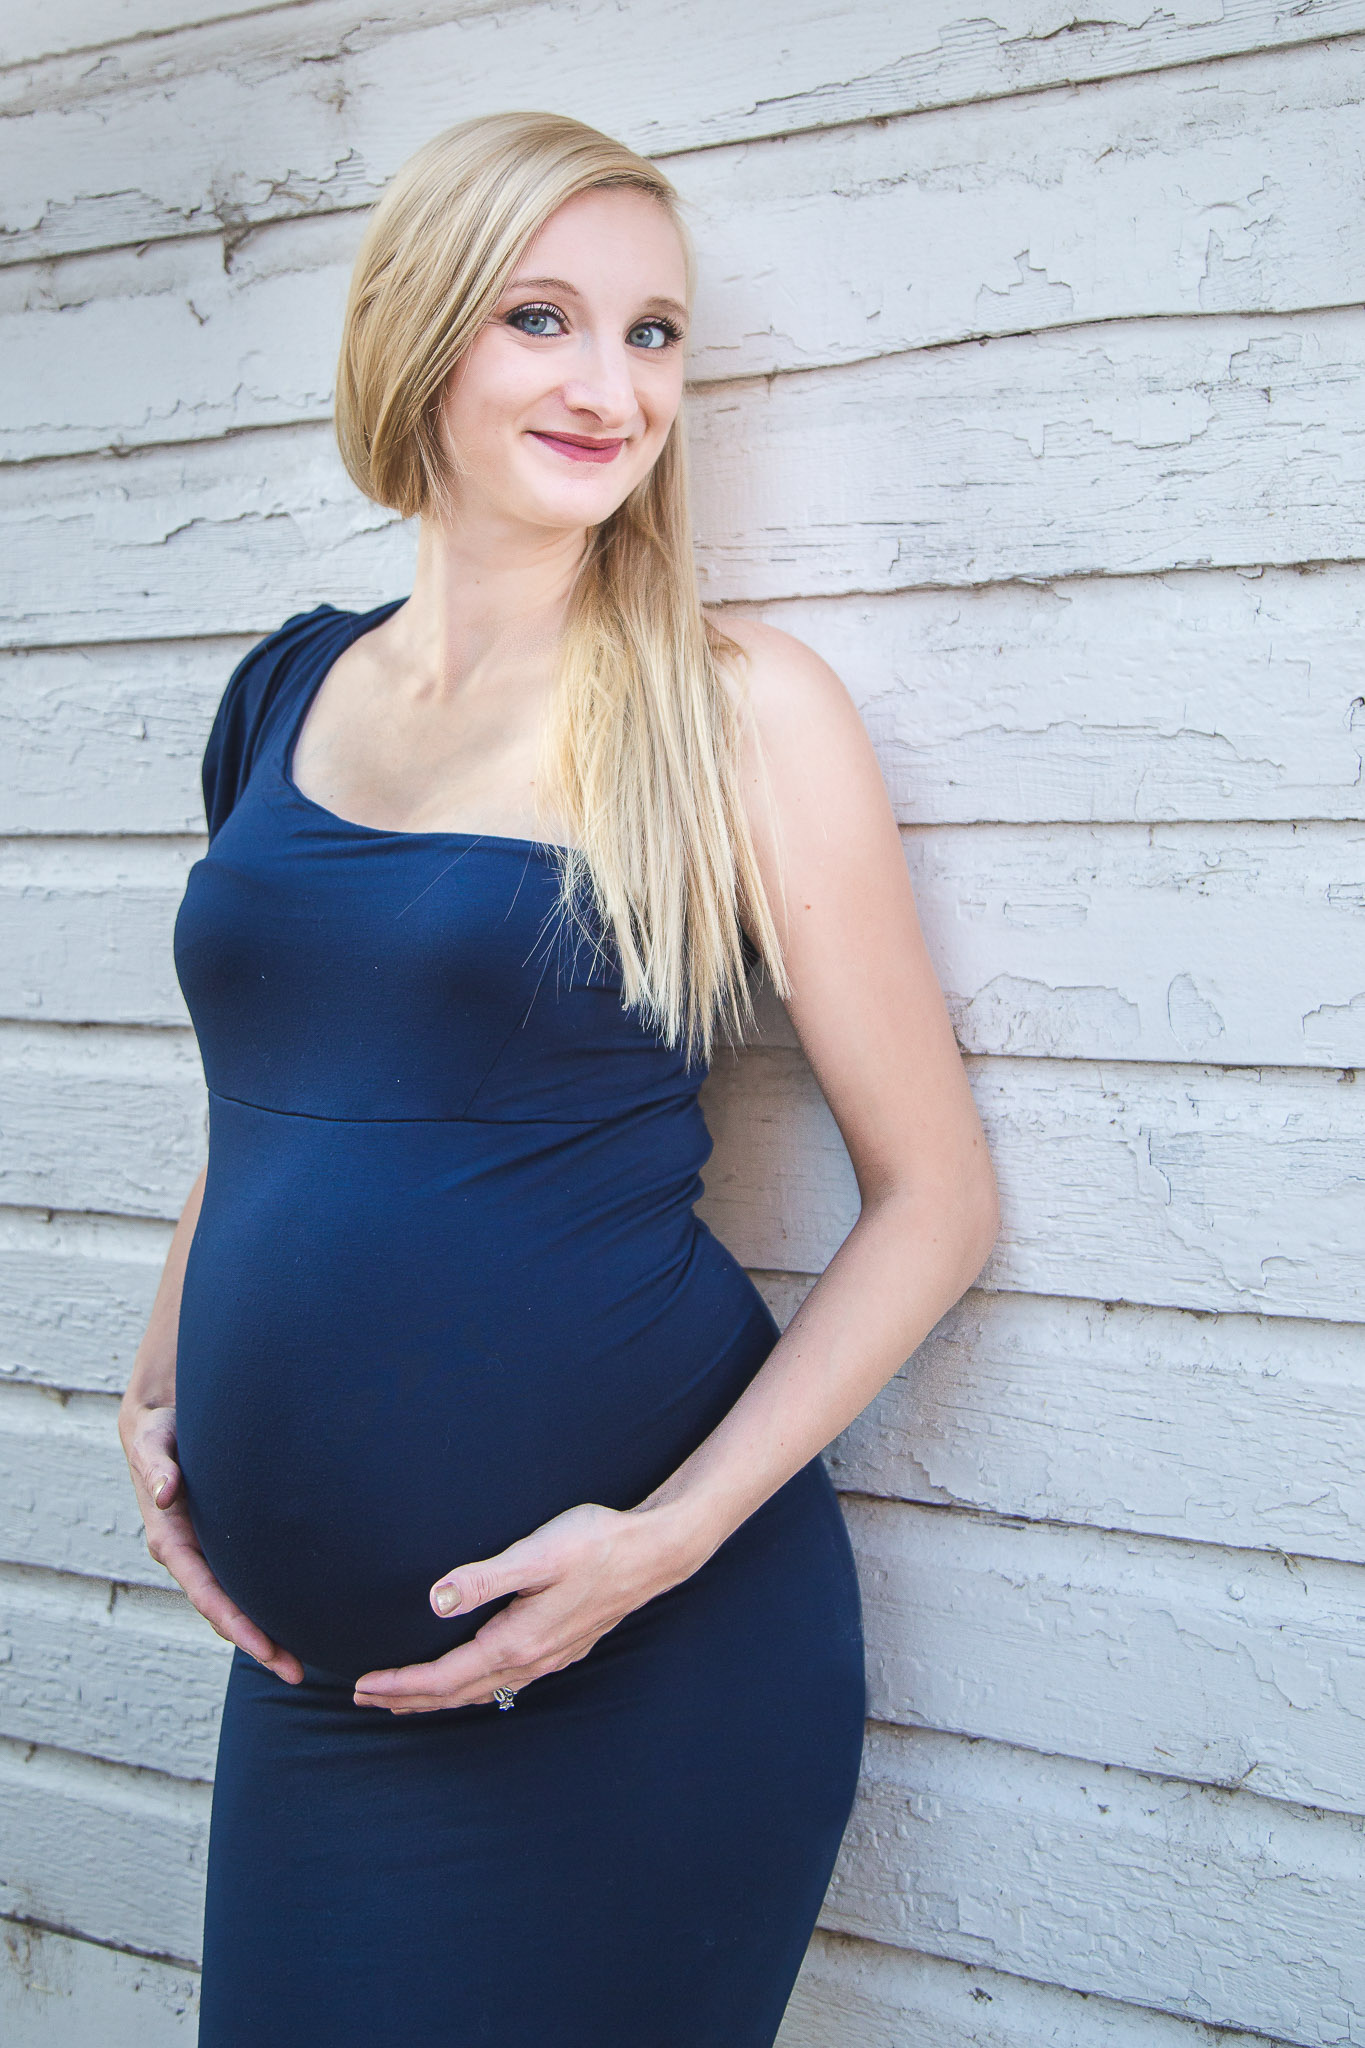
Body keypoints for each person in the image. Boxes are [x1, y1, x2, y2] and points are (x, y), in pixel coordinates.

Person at [116, 109, 998, 2047]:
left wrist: (656, 1547)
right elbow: (272, 1081)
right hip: (322, 1686)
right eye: (545, 319)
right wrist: (161, 1373)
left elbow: (937, 1200)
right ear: (420, 335)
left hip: (645, 1660)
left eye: (655, 333)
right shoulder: (284, 687)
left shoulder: (734, 711)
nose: (614, 387)